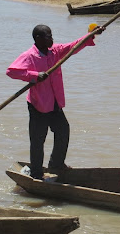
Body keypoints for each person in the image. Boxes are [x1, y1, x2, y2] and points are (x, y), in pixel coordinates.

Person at [6, 24, 104, 180]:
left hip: (54, 103)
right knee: (38, 140)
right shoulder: (30, 55)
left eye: (51, 36)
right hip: (38, 105)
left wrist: (91, 35)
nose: (51, 39)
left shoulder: (55, 52)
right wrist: (35, 75)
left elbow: (73, 46)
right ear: (38, 39)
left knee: (63, 131)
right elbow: (12, 71)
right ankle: (37, 174)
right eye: (47, 36)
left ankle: (56, 163)